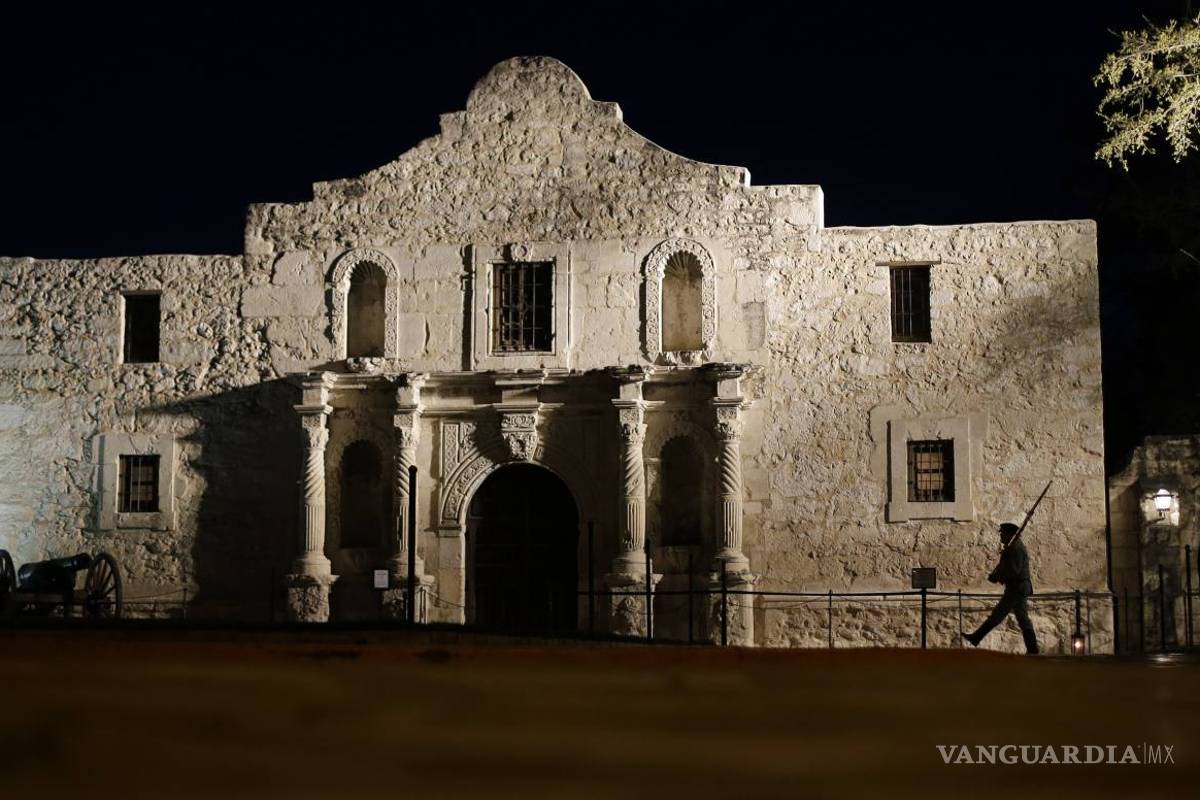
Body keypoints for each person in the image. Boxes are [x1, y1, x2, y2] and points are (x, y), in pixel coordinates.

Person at [963, 522, 1039, 654]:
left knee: (998, 614)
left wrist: (997, 577)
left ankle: (976, 637)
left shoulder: (1015, 548)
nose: (1001, 536)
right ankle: (1033, 649)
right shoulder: (1013, 547)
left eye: (1003, 533)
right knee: (1022, 618)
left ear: (1009, 534)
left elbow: (1014, 571)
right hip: (1017, 587)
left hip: (1017, 587)